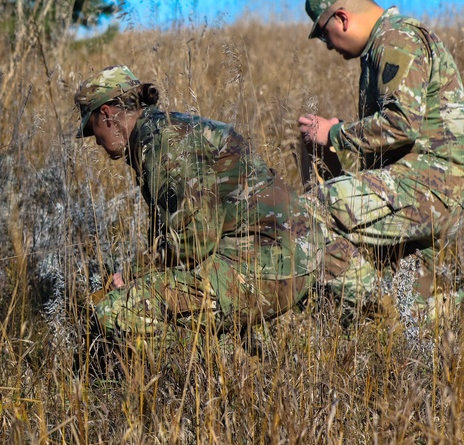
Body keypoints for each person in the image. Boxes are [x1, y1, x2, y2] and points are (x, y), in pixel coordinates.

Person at [75, 65, 378, 352]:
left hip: (274, 264)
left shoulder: (163, 144)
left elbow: (195, 239)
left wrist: (132, 274)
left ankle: (169, 388)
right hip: (302, 248)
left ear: (107, 115)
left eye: (93, 130)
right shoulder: (172, 129)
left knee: (120, 309)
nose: (97, 143)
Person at [298, 0, 464, 297]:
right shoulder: (384, 44)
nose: (329, 46)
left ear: (342, 18)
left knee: (312, 211)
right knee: (421, 317)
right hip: (427, 187)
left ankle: (367, 310)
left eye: (323, 34)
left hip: (429, 186)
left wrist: (335, 134)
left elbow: (401, 123)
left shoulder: (396, 39)